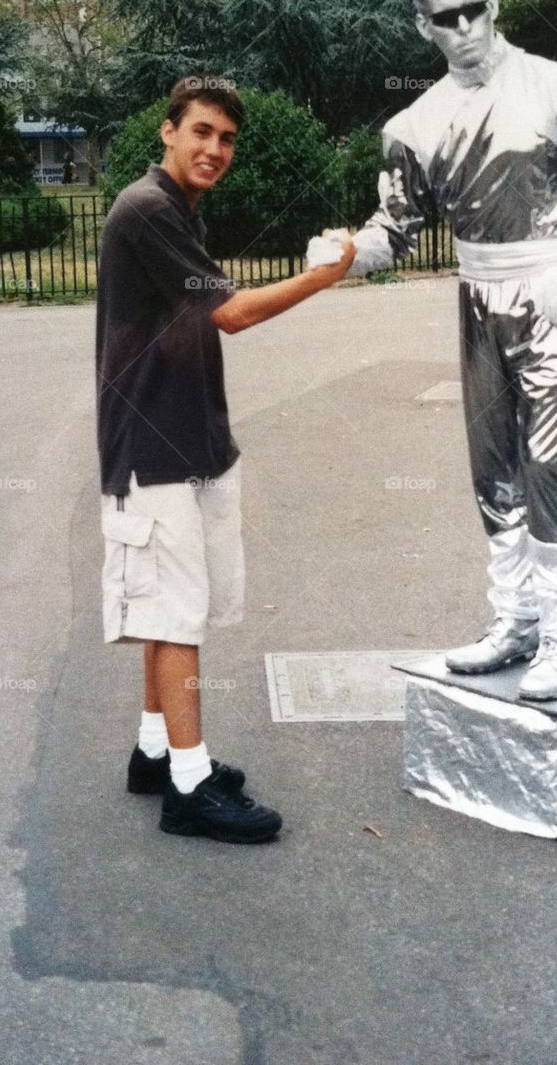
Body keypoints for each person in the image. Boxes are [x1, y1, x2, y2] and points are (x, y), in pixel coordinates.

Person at [319, 0, 557, 701]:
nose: (464, 26)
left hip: (550, 288)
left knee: (544, 464)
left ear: (493, 3)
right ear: (423, 25)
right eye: (446, 17)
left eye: (474, 8)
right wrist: (340, 253)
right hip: (477, 293)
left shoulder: (554, 87)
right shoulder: (418, 121)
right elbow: (394, 229)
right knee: (490, 467)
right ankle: (517, 621)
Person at [96, 76, 355, 843]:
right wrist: (321, 276)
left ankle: (155, 753)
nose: (215, 149)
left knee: (172, 607)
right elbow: (232, 314)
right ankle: (189, 785)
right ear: (168, 132)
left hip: (190, 437)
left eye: (227, 139)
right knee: (177, 616)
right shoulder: (147, 209)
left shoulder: (176, 209)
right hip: (152, 448)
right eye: (201, 132)